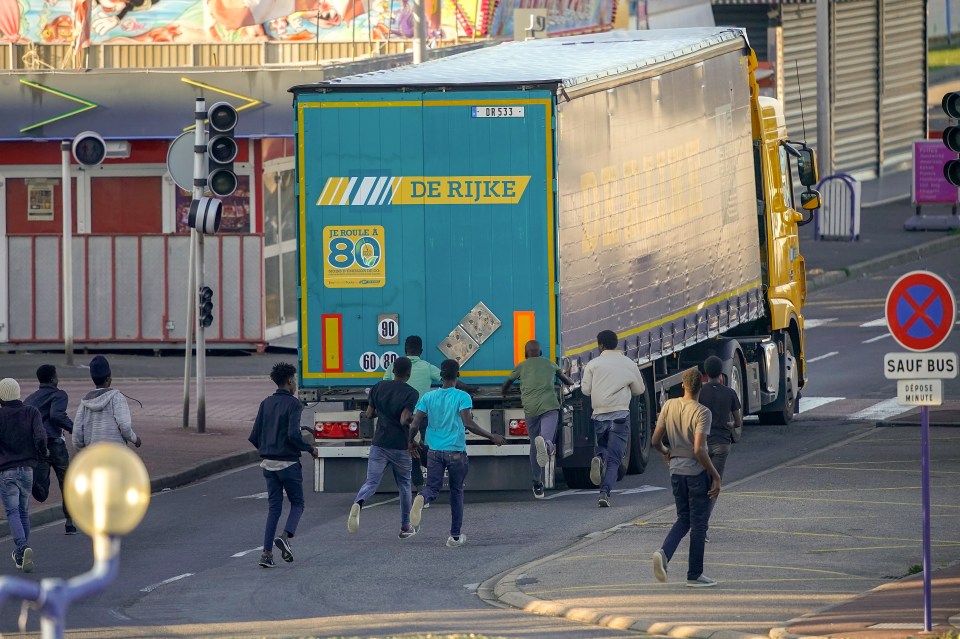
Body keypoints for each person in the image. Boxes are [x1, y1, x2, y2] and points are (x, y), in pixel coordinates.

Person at [408, 359, 506, 547]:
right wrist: (491, 436)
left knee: (433, 488)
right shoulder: (462, 397)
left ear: (441, 376)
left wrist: (411, 441)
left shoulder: (428, 397)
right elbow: (468, 423)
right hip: (455, 452)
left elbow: (415, 423)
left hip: (434, 451)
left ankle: (422, 497)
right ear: (457, 375)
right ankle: (454, 537)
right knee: (456, 491)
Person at [651, 367, 722, 588]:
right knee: (699, 523)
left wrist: (666, 453)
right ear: (700, 385)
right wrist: (715, 475)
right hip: (695, 472)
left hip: (675, 471)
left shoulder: (669, 405)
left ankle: (664, 553)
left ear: (683, 385)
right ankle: (694, 574)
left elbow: (655, 441)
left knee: (684, 518)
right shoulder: (702, 412)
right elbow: (700, 449)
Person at [248, 362, 318, 568]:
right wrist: (309, 449)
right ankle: (285, 536)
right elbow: (293, 435)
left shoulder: (265, 403)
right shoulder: (294, 405)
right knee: (298, 503)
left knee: (274, 508)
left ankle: (266, 554)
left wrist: (268, 447)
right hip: (288, 463)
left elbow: (254, 436)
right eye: (294, 379)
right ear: (289, 381)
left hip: (268, 463)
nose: (295, 383)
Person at [348, 357, 420, 538]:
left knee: (371, 483)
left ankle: (359, 501)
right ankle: (405, 527)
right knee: (404, 485)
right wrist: (416, 420)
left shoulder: (378, 386)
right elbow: (405, 419)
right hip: (399, 446)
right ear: (409, 373)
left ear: (393, 370)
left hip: (379, 444)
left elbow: (369, 413)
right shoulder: (411, 393)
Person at [501, 340, 574, 499]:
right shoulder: (550, 364)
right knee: (546, 438)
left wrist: (505, 392)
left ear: (526, 353)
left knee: (534, 445)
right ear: (540, 352)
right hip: (549, 407)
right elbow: (566, 380)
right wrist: (570, 382)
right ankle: (547, 446)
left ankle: (537, 482)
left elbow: (506, 384)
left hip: (530, 409)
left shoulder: (521, 366)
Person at [580, 329, 646, 507]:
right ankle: (605, 492)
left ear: (600, 345)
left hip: (599, 415)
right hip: (620, 415)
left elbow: (585, 390)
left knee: (602, 446)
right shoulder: (628, 363)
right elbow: (640, 390)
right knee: (615, 459)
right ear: (616, 344)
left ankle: (599, 458)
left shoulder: (593, 364)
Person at [384, 335, 442, 497]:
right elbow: (446, 378)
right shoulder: (427, 367)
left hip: (400, 418)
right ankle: (431, 484)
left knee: (412, 453)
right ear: (421, 351)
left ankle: (419, 488)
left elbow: (387, 385)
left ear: (405, 349)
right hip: (421, 417)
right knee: (425, 449)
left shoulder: (393, 366)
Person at [0, 378, 47, 573]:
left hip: (6, 471)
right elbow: (41, 437)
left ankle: (22, 547)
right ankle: (21, 556)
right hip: (28, 470)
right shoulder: (31, 412)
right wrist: (42, 453)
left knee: (12, 512)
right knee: (23, 512)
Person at [25, 364, 78, 535]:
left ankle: (35, 484)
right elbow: (57, 415)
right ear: (53, 378)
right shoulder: (59, 394)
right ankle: (69, 522)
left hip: (38, 446)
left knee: (42, 492)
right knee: (66, 482)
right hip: (55, 444)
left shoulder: (31, 399)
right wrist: (74, 428)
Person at [698, 355, 743, 541]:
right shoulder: (730, 393)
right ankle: (702, 528)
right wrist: (730, 425)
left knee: (700, 484)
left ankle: (696, 523)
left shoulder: (700, 393)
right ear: (722, 376)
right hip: (722, 444)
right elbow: (738, 422)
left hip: (702, 443)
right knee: (714, 486)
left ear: (705, 374)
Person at [73, 356, 142, 450]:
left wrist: (82, 453)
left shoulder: (84, 403)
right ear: (108, 379)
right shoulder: (117, 398)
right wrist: (135, 439)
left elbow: (77, 434)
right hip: (115, 453)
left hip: (93, 454)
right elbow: (125, 427)